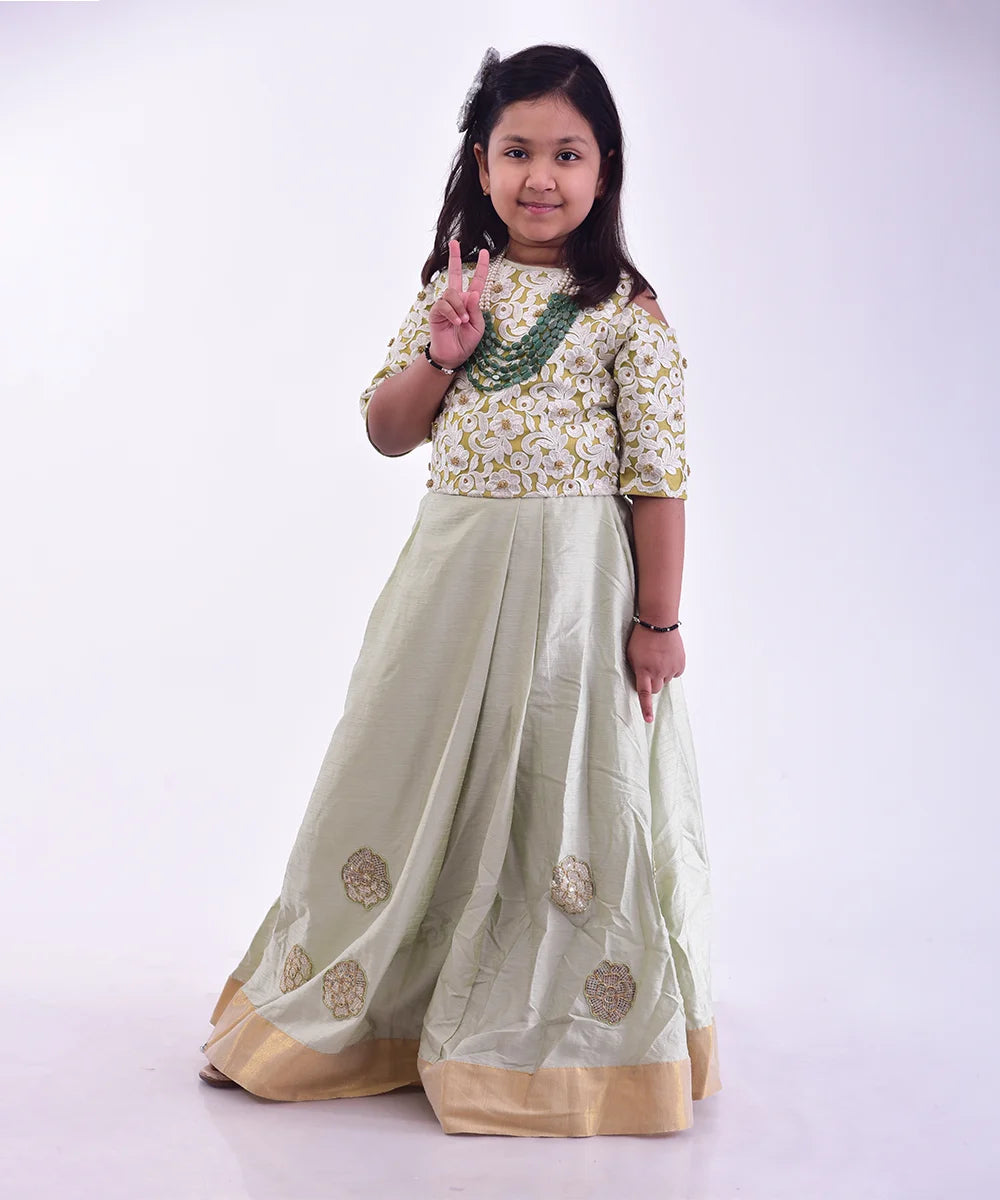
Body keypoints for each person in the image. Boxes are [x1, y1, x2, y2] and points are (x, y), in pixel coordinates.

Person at [199, 42, 721, 1138]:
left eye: (567, 153)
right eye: (516, 151)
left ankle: (554, 1041)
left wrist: (658, 622)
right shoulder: (454, 291)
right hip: (451, 584)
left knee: (561, 790)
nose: (541, 176)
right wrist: (444, 353)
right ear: (480, 164)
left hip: (574, 600)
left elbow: (659, 480)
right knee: (401, 765)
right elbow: (388, 434)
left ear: (605, 169)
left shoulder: (627, 311)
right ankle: (369, 1010)